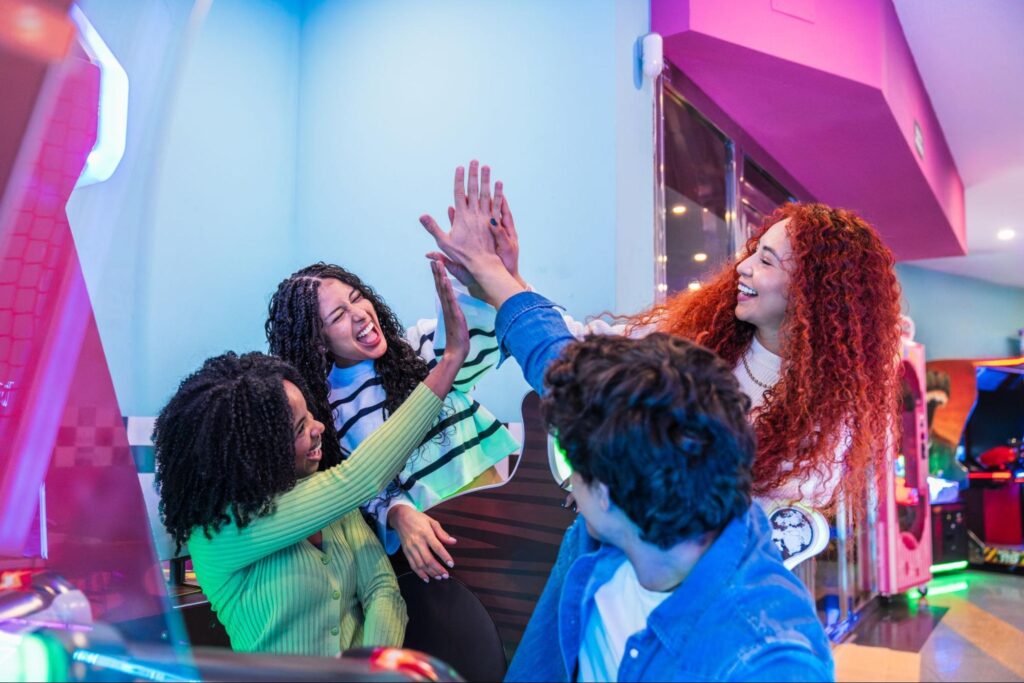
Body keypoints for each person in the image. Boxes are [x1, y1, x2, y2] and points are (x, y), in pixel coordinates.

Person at [420, 162, 902, 518]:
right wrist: (510, 280)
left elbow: (589, 387)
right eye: (755, 251)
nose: (745, 267)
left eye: (768, 261)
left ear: (814, 296)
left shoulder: (825, 424)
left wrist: (496, 279)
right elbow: (593, 354)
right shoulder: (707, 333)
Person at [154, 261, 468, 655]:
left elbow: (384, 591)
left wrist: (363, 675)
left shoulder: (331, 501)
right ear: (259, 455)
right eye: (301, 428)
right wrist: (451, 358)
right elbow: (362, 478)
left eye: (311, 416)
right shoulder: (223, 532)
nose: (319, 427)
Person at [507, 333, 833, 681]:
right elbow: (550, 350)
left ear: (604, 490)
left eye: (572, 465)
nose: (571, 482)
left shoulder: (768, 661)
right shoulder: (611, 534)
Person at [266, 198, 522, 582]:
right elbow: (364, 487)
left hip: (499, 512)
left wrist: (487, 277)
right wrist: (400, 515)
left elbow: (475, 347)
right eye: (338, 316)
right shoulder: (330, 412)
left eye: (357, 298)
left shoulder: (417, 347)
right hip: (436, 553)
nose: (360, 314)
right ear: (317, 342)